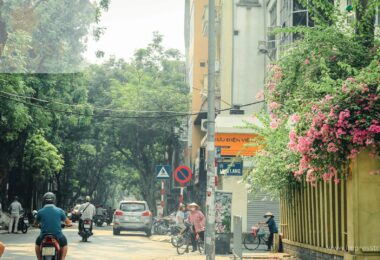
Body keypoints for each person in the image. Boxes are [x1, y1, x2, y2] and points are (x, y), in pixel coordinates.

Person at [35, 192, 71, 260]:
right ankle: (62, 259)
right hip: (57, 235)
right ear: (54, 200)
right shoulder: (60, 211)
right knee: (64, 244)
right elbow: (68, 222)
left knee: (37, 244)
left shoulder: (40, 211)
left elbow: (35, 223)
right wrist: (68, 224)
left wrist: (37, 225)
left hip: (43, 236)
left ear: (44, 200)